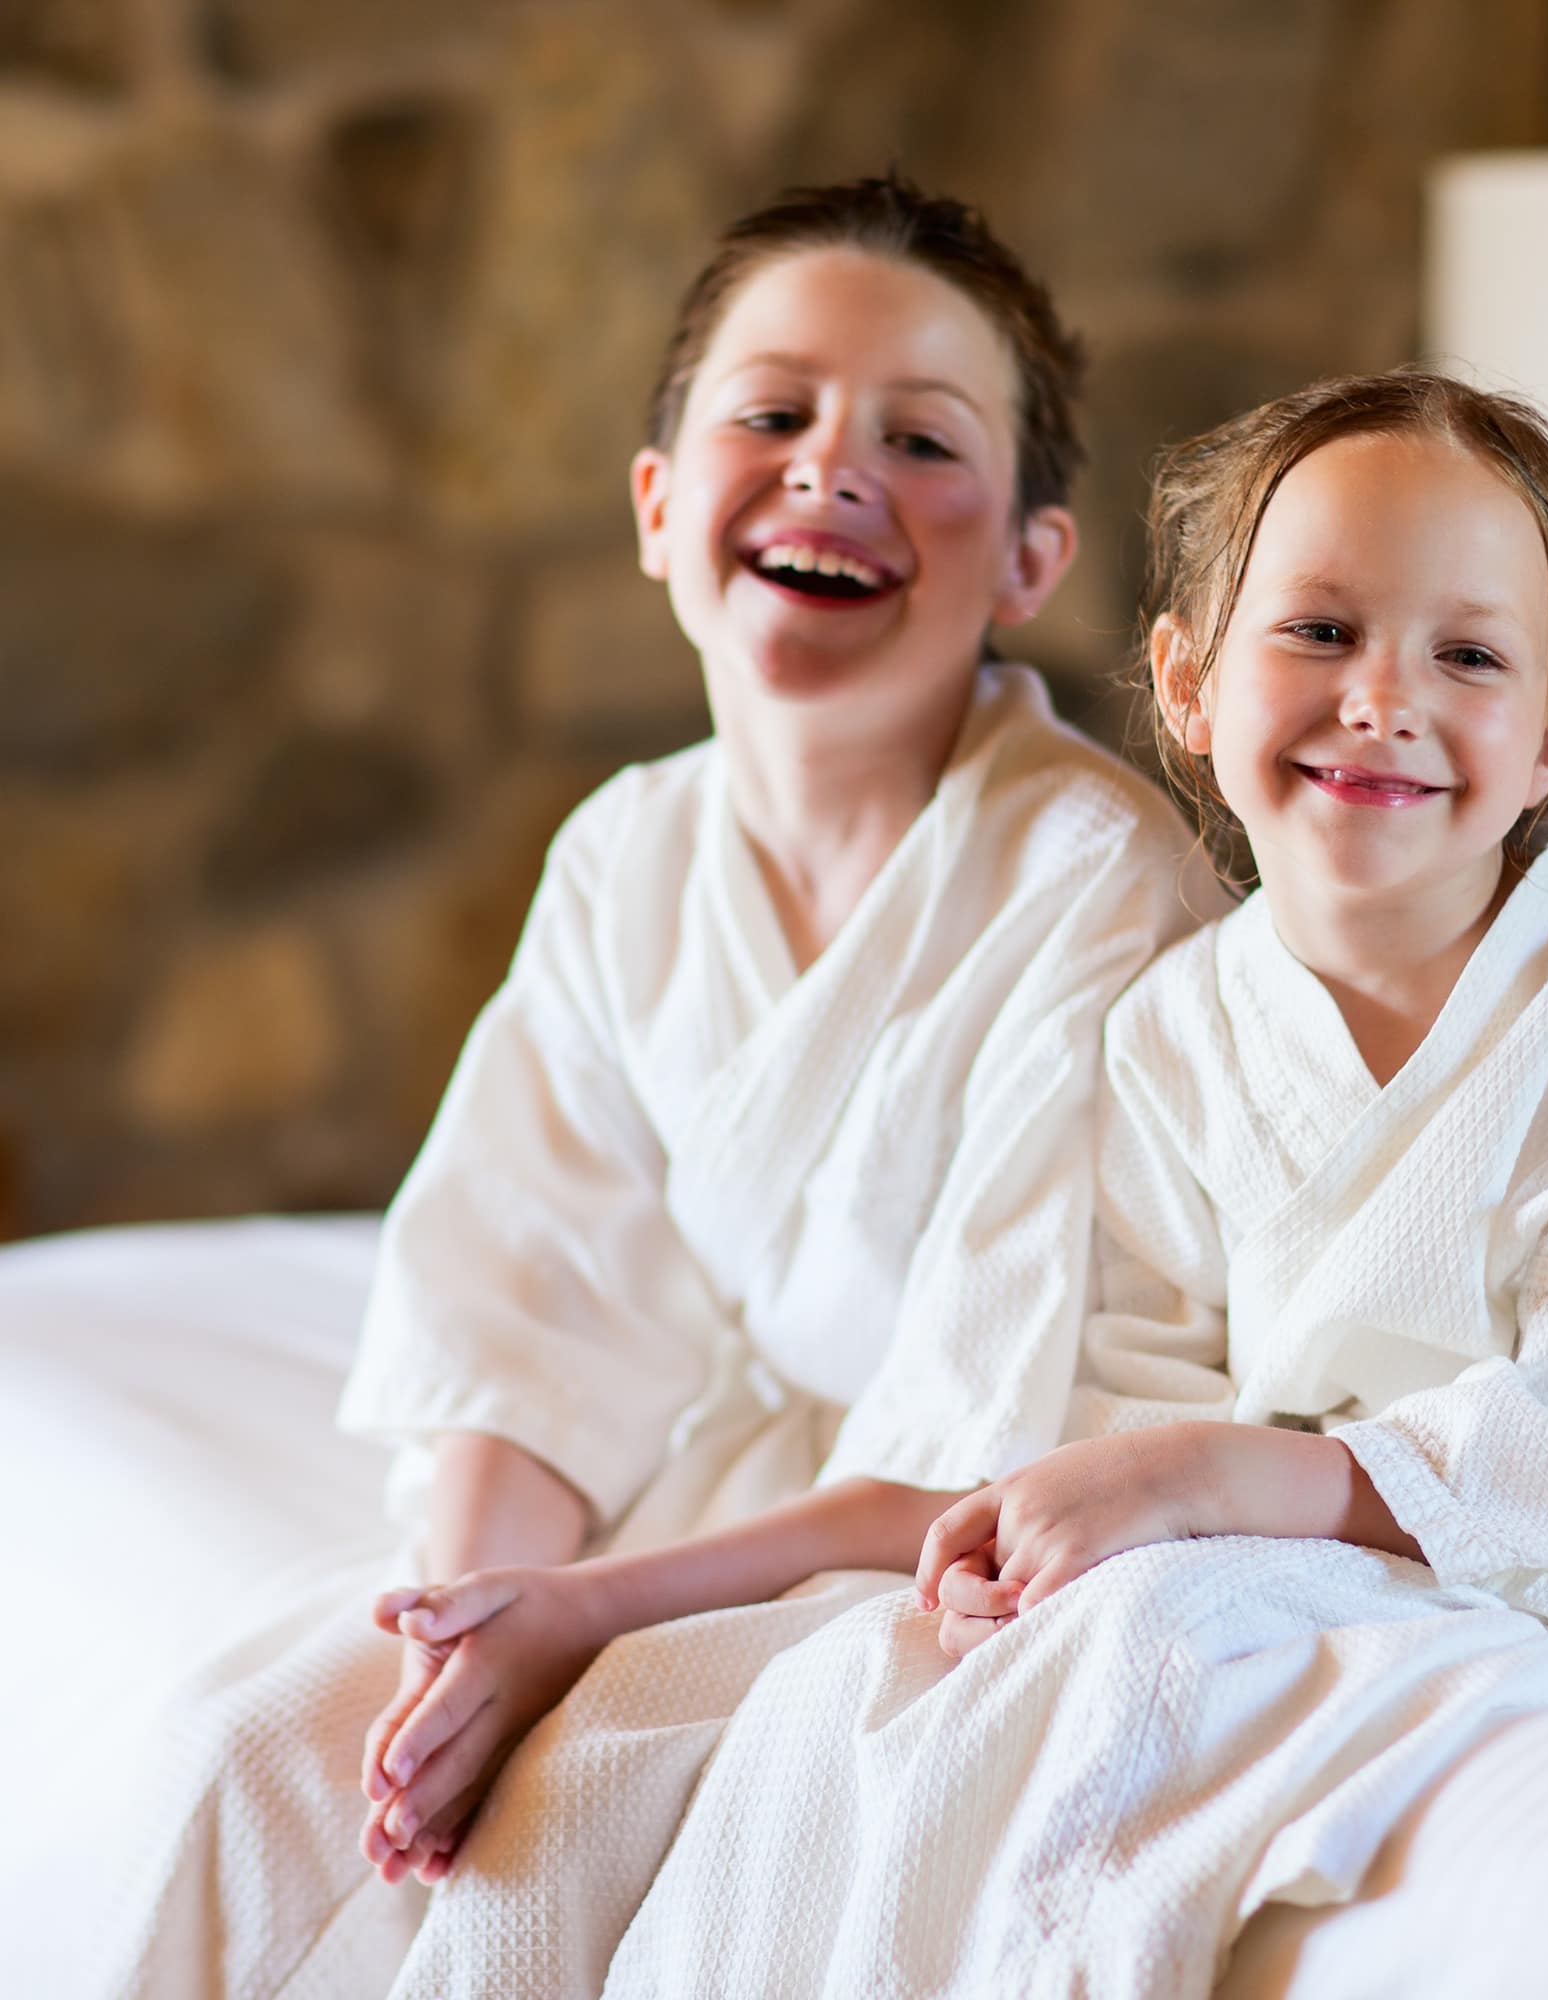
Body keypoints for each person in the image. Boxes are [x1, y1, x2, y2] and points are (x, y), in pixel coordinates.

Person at [602, 371, 1548, 1998]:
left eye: (1466, 656)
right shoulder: (1178, 1030)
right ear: (1189, 683)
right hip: (1316, 1525)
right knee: (869, 1686)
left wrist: (1228, 1490)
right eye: (1321, 633)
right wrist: (1072, 1535)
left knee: (1149, 1657)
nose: (1383, 700)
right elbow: (1144, 1384)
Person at [98, 175, 1210, 2000]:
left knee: (554, 1827)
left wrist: (586, 1627)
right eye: (770, 415)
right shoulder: (630, 855)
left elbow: (981, 1441)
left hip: (927, 1551)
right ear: (654, 504)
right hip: (690, 1513)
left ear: (1028, 558)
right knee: (241, 1750)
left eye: (921, 440)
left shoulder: (1095, 881)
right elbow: (536, 1313)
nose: (830, 469)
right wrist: (459, 1632)